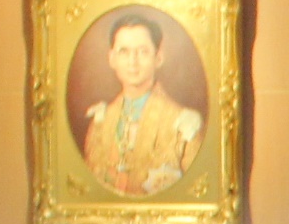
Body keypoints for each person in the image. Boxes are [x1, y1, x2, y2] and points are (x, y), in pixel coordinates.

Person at [80, 11, 204, 195]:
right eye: (124, 52)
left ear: (158, 58)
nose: (133, 61)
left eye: (143, 52)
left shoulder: (183, 124)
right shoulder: (100, 121)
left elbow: (196, 192)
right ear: (112, 59)